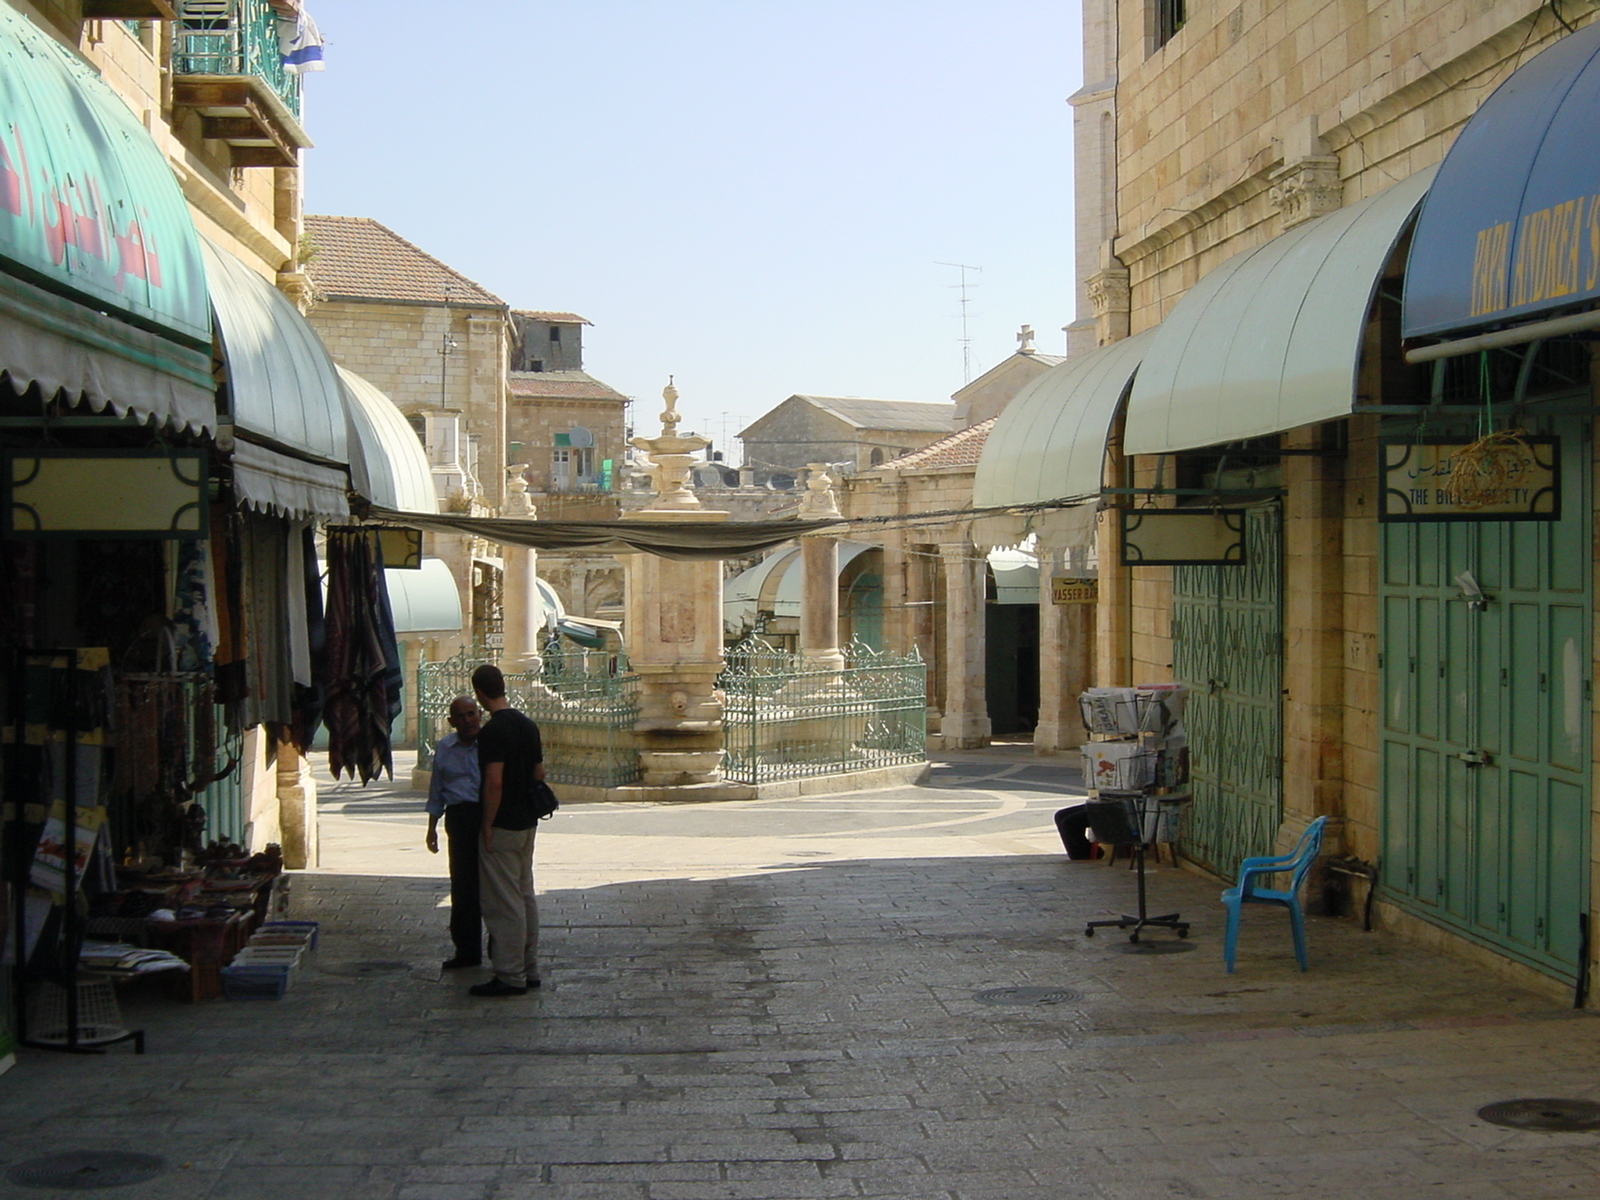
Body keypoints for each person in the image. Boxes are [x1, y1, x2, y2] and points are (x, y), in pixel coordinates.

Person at [469, 663, 544, 997]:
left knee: (504, 901)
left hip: (503, 823)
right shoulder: (528, 726)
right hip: (528, 821)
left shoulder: (493, 731)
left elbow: (494, 782)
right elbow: (539, 774)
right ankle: (530, 967)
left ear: (480, 693)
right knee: (525, 894)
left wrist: (486, 824)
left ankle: (510, 974)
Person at [425, 695, 484, 969]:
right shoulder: (446, 748)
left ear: (479, 715)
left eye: (471, 714)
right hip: (459, 819)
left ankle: (501, 948)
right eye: (460, 716)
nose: (467, 720)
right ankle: (466, 951)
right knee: (463, 886)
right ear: (451, 721)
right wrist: (432, 827)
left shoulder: (490, 744)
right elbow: (437, 788)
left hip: (487, 816)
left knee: (493, 886)